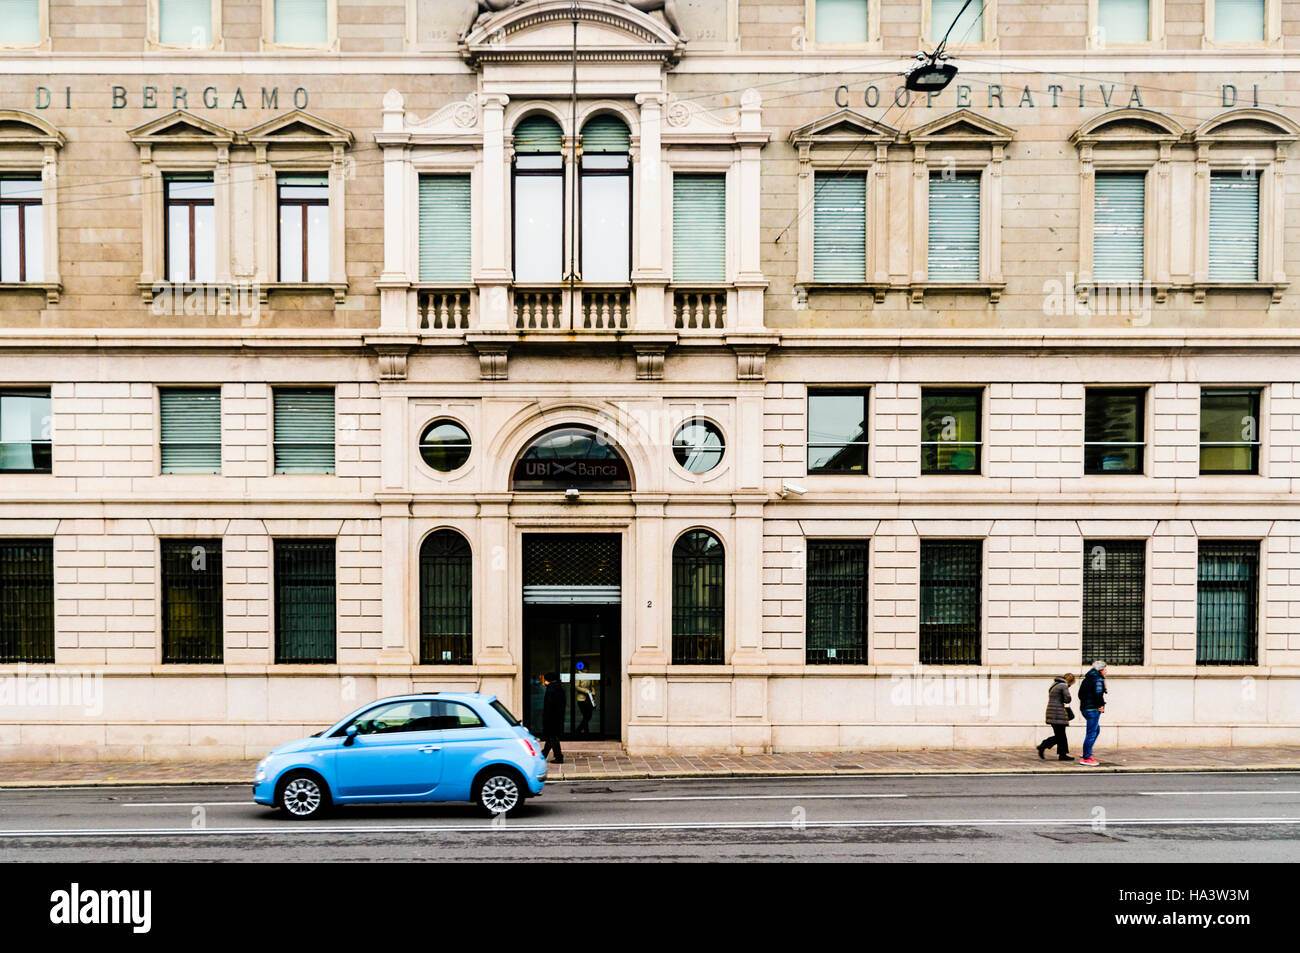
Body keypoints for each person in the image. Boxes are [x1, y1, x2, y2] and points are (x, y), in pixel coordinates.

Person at [1036, 673, 1075, 762]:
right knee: (1060, 736)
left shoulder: (1054, 685)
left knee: (1061, 735)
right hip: (1058, 713)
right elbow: (1067, 699)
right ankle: (1043, 745)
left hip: (1052, 713)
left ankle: (1062, 754)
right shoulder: (1063, 685)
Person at [1077, 660, 1108, 766]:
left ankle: (1087, 751)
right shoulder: (1098, 679)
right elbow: (1098, 694)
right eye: (1105, 669)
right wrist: (1100, 706)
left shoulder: (1087, 679)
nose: (1106, 671)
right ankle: (1086, 757)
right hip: (1093, 709)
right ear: (1101, 669)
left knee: (1096, 730)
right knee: (1091, 733)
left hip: (1085, 709)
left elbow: (1080, 695)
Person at [540, 671, 565, 764]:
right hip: (558, 717)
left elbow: (549, 706)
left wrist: (545, 718)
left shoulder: (551, 689)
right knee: (551, 737)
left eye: (545, 680)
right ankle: (543, 755)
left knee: (552, 737)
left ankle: (559, 757)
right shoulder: (559, 687)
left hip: (551, 718)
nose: (544, 682)